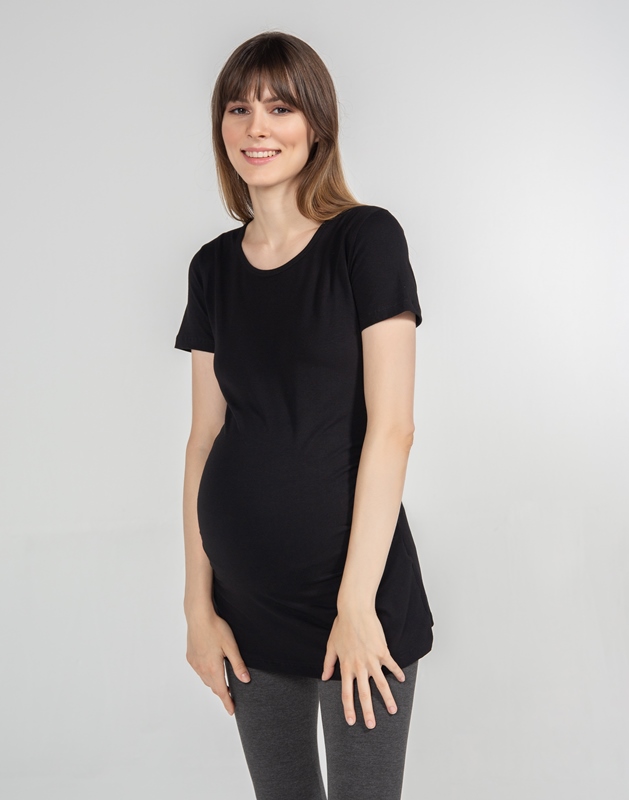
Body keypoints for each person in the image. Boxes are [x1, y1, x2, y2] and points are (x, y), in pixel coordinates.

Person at [174, 30, 434, 800]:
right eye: (239, 108)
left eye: (280, 108)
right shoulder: (211, 268)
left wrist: (355, 605)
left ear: (316, 125)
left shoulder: (365, 240)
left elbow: (393, 428)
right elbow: (204, 439)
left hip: (356, 600)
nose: (257, 127)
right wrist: (197, 607)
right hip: (245, 608)